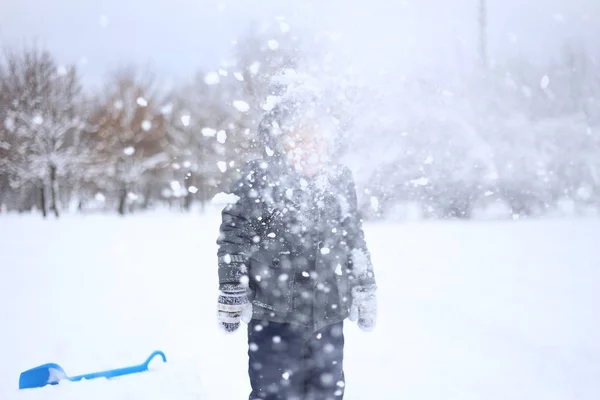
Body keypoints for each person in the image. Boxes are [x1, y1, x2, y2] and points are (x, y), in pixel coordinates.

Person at [216, 97, 377, 400]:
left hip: (328, 316)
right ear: (280, 142)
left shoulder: (338, 179)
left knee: (326, 392)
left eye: (317, 140)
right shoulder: (259, 178)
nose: (309, 148)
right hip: (273, 317)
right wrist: (231, 289)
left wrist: (365, 285)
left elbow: (353, 237)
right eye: (299, 139)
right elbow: (233, 238)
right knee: (275, 393)